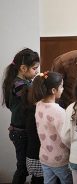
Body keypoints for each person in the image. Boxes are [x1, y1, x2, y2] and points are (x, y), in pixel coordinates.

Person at [2, 48, 40, 183]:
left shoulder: (24, 82)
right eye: (35, 68)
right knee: (22, 168)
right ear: (23, 68)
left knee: (33, 166)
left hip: (22, 130)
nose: (37, 72)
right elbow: (32, 96)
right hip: (20, 132)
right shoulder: (18, 85)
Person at [32, 71, 72, 184]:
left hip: (45, 157)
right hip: (60, 160)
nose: (63, 89)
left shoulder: (38, 105)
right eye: (61, 86)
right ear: (54, 90)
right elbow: (66, 137)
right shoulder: (58, 111)